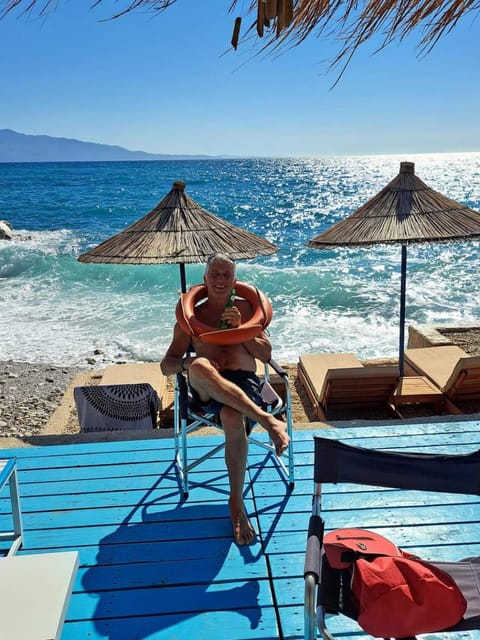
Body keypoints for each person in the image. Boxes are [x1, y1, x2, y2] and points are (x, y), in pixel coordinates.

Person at [160, 253, 290, 545]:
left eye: (226, 275)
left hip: (245, 384)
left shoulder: (248, 310)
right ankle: (268, 421)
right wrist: (185, 365)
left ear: (235, 280)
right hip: (206, 387)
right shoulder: (190, 317)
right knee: (199, 365)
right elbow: (167, 363)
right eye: (214, 274)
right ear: (204, 279)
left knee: (233, 416)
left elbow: (266, 356)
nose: (220, 280)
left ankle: (236, 502)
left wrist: (241, 330)